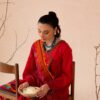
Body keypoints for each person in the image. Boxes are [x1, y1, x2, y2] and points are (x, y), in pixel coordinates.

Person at [0, 11, 73, 100]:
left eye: (46, 32)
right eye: (39, 31)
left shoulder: (65, 48)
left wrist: (49, 86)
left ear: (55, 30)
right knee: (8, 89)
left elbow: (67, 77)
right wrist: (27, 82)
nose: (41, 36)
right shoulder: (35, 46)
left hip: (56, 90)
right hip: (36, 85)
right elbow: (29, 71)